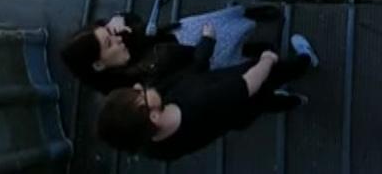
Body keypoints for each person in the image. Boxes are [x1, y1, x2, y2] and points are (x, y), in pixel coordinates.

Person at [97, 34, 319, 161]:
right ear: (153, 116)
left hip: (236, 118)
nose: (138, 86)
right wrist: (267, 60)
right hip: (243, 84)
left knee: (263, 104)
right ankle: (307, 59)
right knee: (279, 74)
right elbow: (247, 85)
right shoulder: (200, 100)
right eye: (139, 94)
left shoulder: (154, 147)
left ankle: (294, 101)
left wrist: (205, 45)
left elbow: (190, 74)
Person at [61, 5, 278, 94]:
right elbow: (181, 85)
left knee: (228, 23)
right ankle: (255, 54)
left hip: (181, 35)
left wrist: (121, 17)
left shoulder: (120, 37)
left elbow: (139, 23)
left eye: (109, 34)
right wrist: (203, 50)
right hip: (199, 60)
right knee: (235, 59)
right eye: (109, 44)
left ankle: (250, 17)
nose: (117, 41)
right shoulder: (130, 88)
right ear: (98, 64)